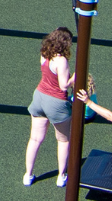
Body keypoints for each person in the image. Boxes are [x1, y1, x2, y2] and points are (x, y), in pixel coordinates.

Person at [24, 27, 81, 186]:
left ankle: (28, 175)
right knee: (63, 140)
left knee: (35, 139)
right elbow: (64, 85)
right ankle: (61, 176)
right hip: (56, 102)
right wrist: (75, 76)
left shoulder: (44, 54)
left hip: (39, 97)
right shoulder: (61, 60)